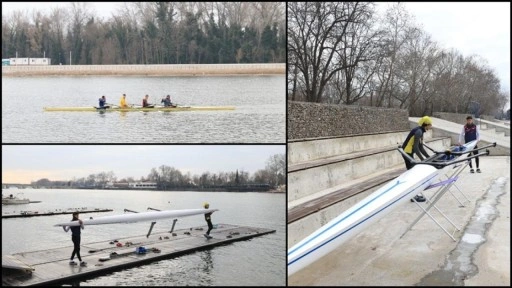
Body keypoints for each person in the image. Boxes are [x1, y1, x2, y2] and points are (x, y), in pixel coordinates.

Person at [402, 116, 433, 202]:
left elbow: (420, 147)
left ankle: (413, 195)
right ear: (426, 124)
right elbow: (416, 148)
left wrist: (428, 158)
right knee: (412, 174)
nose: (431, 126)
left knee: (412, 173)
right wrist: (422, 160)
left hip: (409, 152)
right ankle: (412, 196)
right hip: (407, 153)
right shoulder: (418, 132)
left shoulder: (421, 131)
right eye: (430, 124)